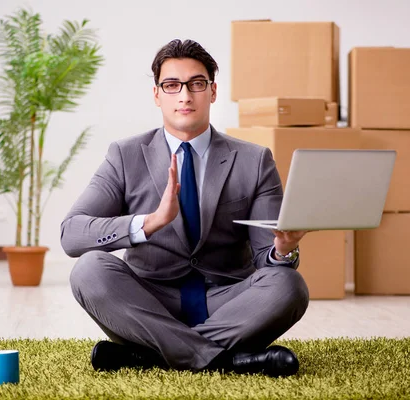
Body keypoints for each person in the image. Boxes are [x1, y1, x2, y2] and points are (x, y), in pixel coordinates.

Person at [61, 39, 310, 378]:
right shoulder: (125, 155)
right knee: (88, 270)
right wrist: (147, 223)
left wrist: (283, 249)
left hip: (228, 302)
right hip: (149, 303)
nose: (185, 95)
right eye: (172, 85)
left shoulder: (254, 160)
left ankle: (151, 355)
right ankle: (226, 361)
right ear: (157, 95)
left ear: (212, 91)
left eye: (196, 84)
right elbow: (71, 234)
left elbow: (267, 259)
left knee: (288, 285)